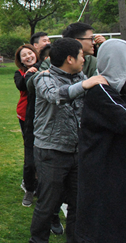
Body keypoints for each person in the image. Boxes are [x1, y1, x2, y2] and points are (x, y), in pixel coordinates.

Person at [29, 38, 107, 243]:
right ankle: (38, 240)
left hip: (77, 151)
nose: (84, 59)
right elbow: (55, 95)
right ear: (70, 59)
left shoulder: (81, 77)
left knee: (78, 204)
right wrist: (85, 84)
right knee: (47, 204)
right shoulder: (44, 78)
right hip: (51, 151)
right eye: (81, 55)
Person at [77, 39, 126, 243]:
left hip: (114, 169)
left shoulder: (117, 89)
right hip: (102, 171)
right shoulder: (100, 90)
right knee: (102, 223)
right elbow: (122, 119)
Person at [14, 44, 40, 207]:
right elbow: (21, 85)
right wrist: (29, 73)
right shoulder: (20, 73)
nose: (28, 57)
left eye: (30, 53)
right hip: (26, 116)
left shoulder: (44, 67)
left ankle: (40, 184)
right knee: (30, 152)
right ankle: (29, 187)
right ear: (21, 60)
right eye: (24, 55)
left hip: (44, 116)